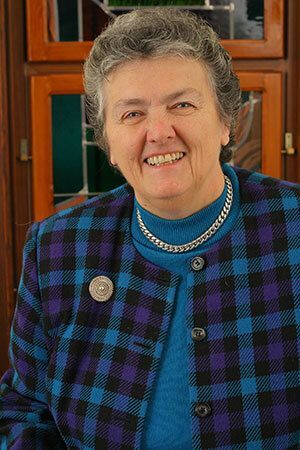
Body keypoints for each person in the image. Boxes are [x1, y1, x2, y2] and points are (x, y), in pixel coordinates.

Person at [0, 8, 299, 449]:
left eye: (182, 104)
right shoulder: (57, 248)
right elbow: (24, 405)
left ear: (225, 122)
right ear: (109, 144)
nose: (158, 132)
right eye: (132, 114)